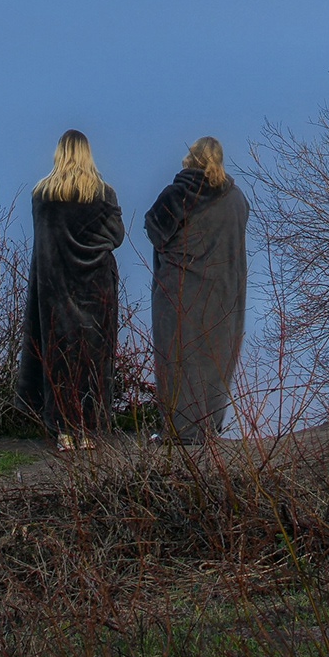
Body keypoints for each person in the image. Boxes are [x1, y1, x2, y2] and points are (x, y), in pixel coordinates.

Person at [19, 128, 124, 449]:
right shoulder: (104, 194)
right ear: (87, 154)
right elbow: (116, 237)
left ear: (59, 153)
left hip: (56, 290)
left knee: (60, 358)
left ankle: (64, 431)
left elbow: (43, 247)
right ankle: (90, 432)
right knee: (94, 359)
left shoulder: (42, 195)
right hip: (96, 289)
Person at [145, 135, 250, 446]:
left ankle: (179, 432)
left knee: (177, 357)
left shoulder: (179, 193)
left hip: (180, 290)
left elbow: (155, 229)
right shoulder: (237, 198)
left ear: (190, 159)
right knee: (215, 359)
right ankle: (208, 428)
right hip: (224, 292)